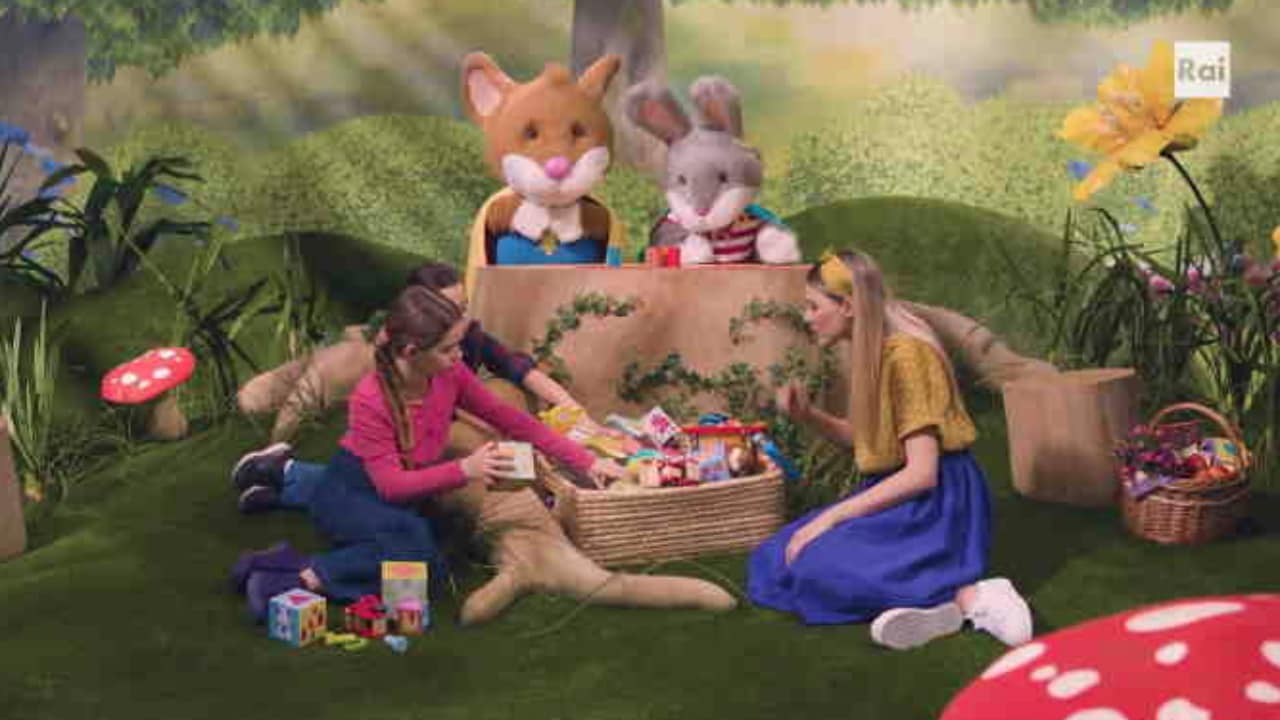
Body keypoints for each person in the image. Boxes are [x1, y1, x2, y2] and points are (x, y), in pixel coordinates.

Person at [230, 285, 625, 620]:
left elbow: (509, 417)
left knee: (427, 564)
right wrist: (465, 468)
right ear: (410, 351)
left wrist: (588, 460)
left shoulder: (448, 374)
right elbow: (390, 486)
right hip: (356, 493)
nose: (459, 356)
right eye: (448, 348)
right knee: (416, 553)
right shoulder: (372, 398)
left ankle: (283, 522)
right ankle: (298, 574)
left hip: (403, 494)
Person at [747, 249, 1033, 650]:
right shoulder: (873, 351)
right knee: (773, 559)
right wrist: (808, 415)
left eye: (814, 306)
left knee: (814, 565)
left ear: (847, 306)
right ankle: (945, 607)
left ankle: (977, 596)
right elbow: (867, 441)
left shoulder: (908, 357)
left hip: (935, 506)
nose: (807, 318)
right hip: (896, 495)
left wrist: (829, 518)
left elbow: (922, 473)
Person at [234, 261, 600, 514]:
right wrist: (466, 465)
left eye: (463, 308)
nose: (460, 320)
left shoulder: (458, 353)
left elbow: (508, 384)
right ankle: (283, 475)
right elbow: (390, 481)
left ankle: (282, 477)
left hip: (417, 450)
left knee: (386, 499)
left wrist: (579, 434)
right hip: (389, 457)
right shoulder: (385, 380)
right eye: (449, 311)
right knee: (378, 504)